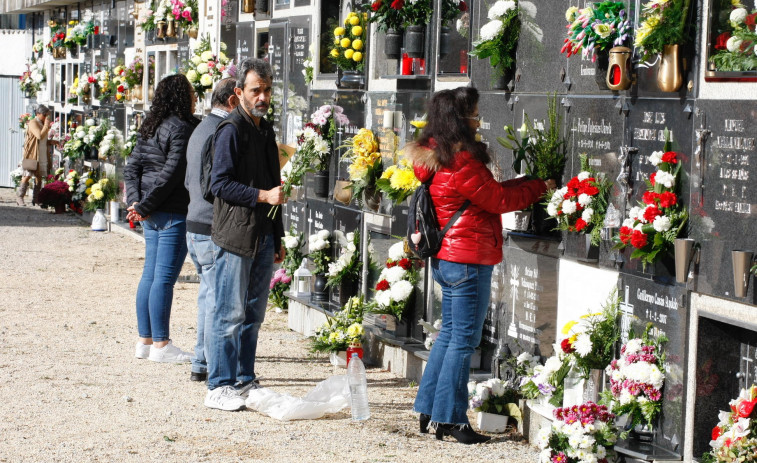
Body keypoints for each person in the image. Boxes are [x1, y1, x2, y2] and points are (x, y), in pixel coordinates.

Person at [408, 87, 555, 444]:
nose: (478, 120)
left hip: (448, 257)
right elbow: (499, 199)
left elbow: (486, 193)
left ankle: (430, 407)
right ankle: (452, 419)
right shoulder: (462, 163)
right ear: (460, 120)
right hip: (468, 258)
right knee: (463, 341)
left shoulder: (435, 158)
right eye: (474, 114)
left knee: (449, 336)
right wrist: (540, 186)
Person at [204, 58, 286, 411]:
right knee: (229, 313)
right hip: (235, 235)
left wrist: (278, 237)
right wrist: (260, 196)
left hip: (263, 235)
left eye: (267, 90)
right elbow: (218, 184)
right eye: (256, 90)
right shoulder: (231, 130)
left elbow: (275, 185)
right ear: (238, 93)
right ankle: (218, 385)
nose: (263, 97)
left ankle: (243, 377)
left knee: (253, 314)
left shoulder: (265, 131)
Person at [124, 74, 200, 364]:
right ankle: (161, 344)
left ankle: (145, 341)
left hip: (152, 211)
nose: (195, 97)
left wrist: (137, 202)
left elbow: (132, 169)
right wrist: (142, 205)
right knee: (163, 279)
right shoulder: (182, 128)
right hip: (171, 211)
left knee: (150, 275)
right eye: (192, 93)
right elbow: (172, 174)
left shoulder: (151, 126)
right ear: (183, 96)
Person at [184, 77, 239, 382]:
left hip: (194, 221)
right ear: (233, 100)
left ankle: (200, 362)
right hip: (210, 223)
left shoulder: (200, 128)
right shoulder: (220, 132)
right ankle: (210, 364)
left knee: (208, 294)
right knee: (217, 299)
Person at [18, 105, 52, 206]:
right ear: (38, 114)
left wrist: (51, 142)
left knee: (39, 176)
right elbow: (39, 135)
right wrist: (46, 125)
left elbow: (43, 140)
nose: (46, 117)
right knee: (27, 175)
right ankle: (20, 197)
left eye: (47, 115)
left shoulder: (41, 122)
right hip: (33, 153)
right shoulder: (33, 122)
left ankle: (36, 198)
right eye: (44, 115)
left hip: (41, 153)